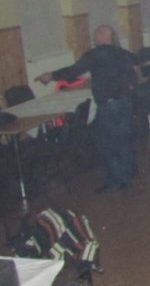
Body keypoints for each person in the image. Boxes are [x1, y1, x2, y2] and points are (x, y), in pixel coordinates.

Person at [35, 25, 138, 194]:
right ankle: (127, 174)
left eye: (98, 33)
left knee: (106, 143)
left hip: (108, 104)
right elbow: (133, 71)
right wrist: (129, 86)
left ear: (103, 36)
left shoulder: (95, 54)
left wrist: (51, 75)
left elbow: (74, 71)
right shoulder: (122, 53)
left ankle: (115, 180)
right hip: (124, 101)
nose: (95, 35)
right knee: (123, 139)